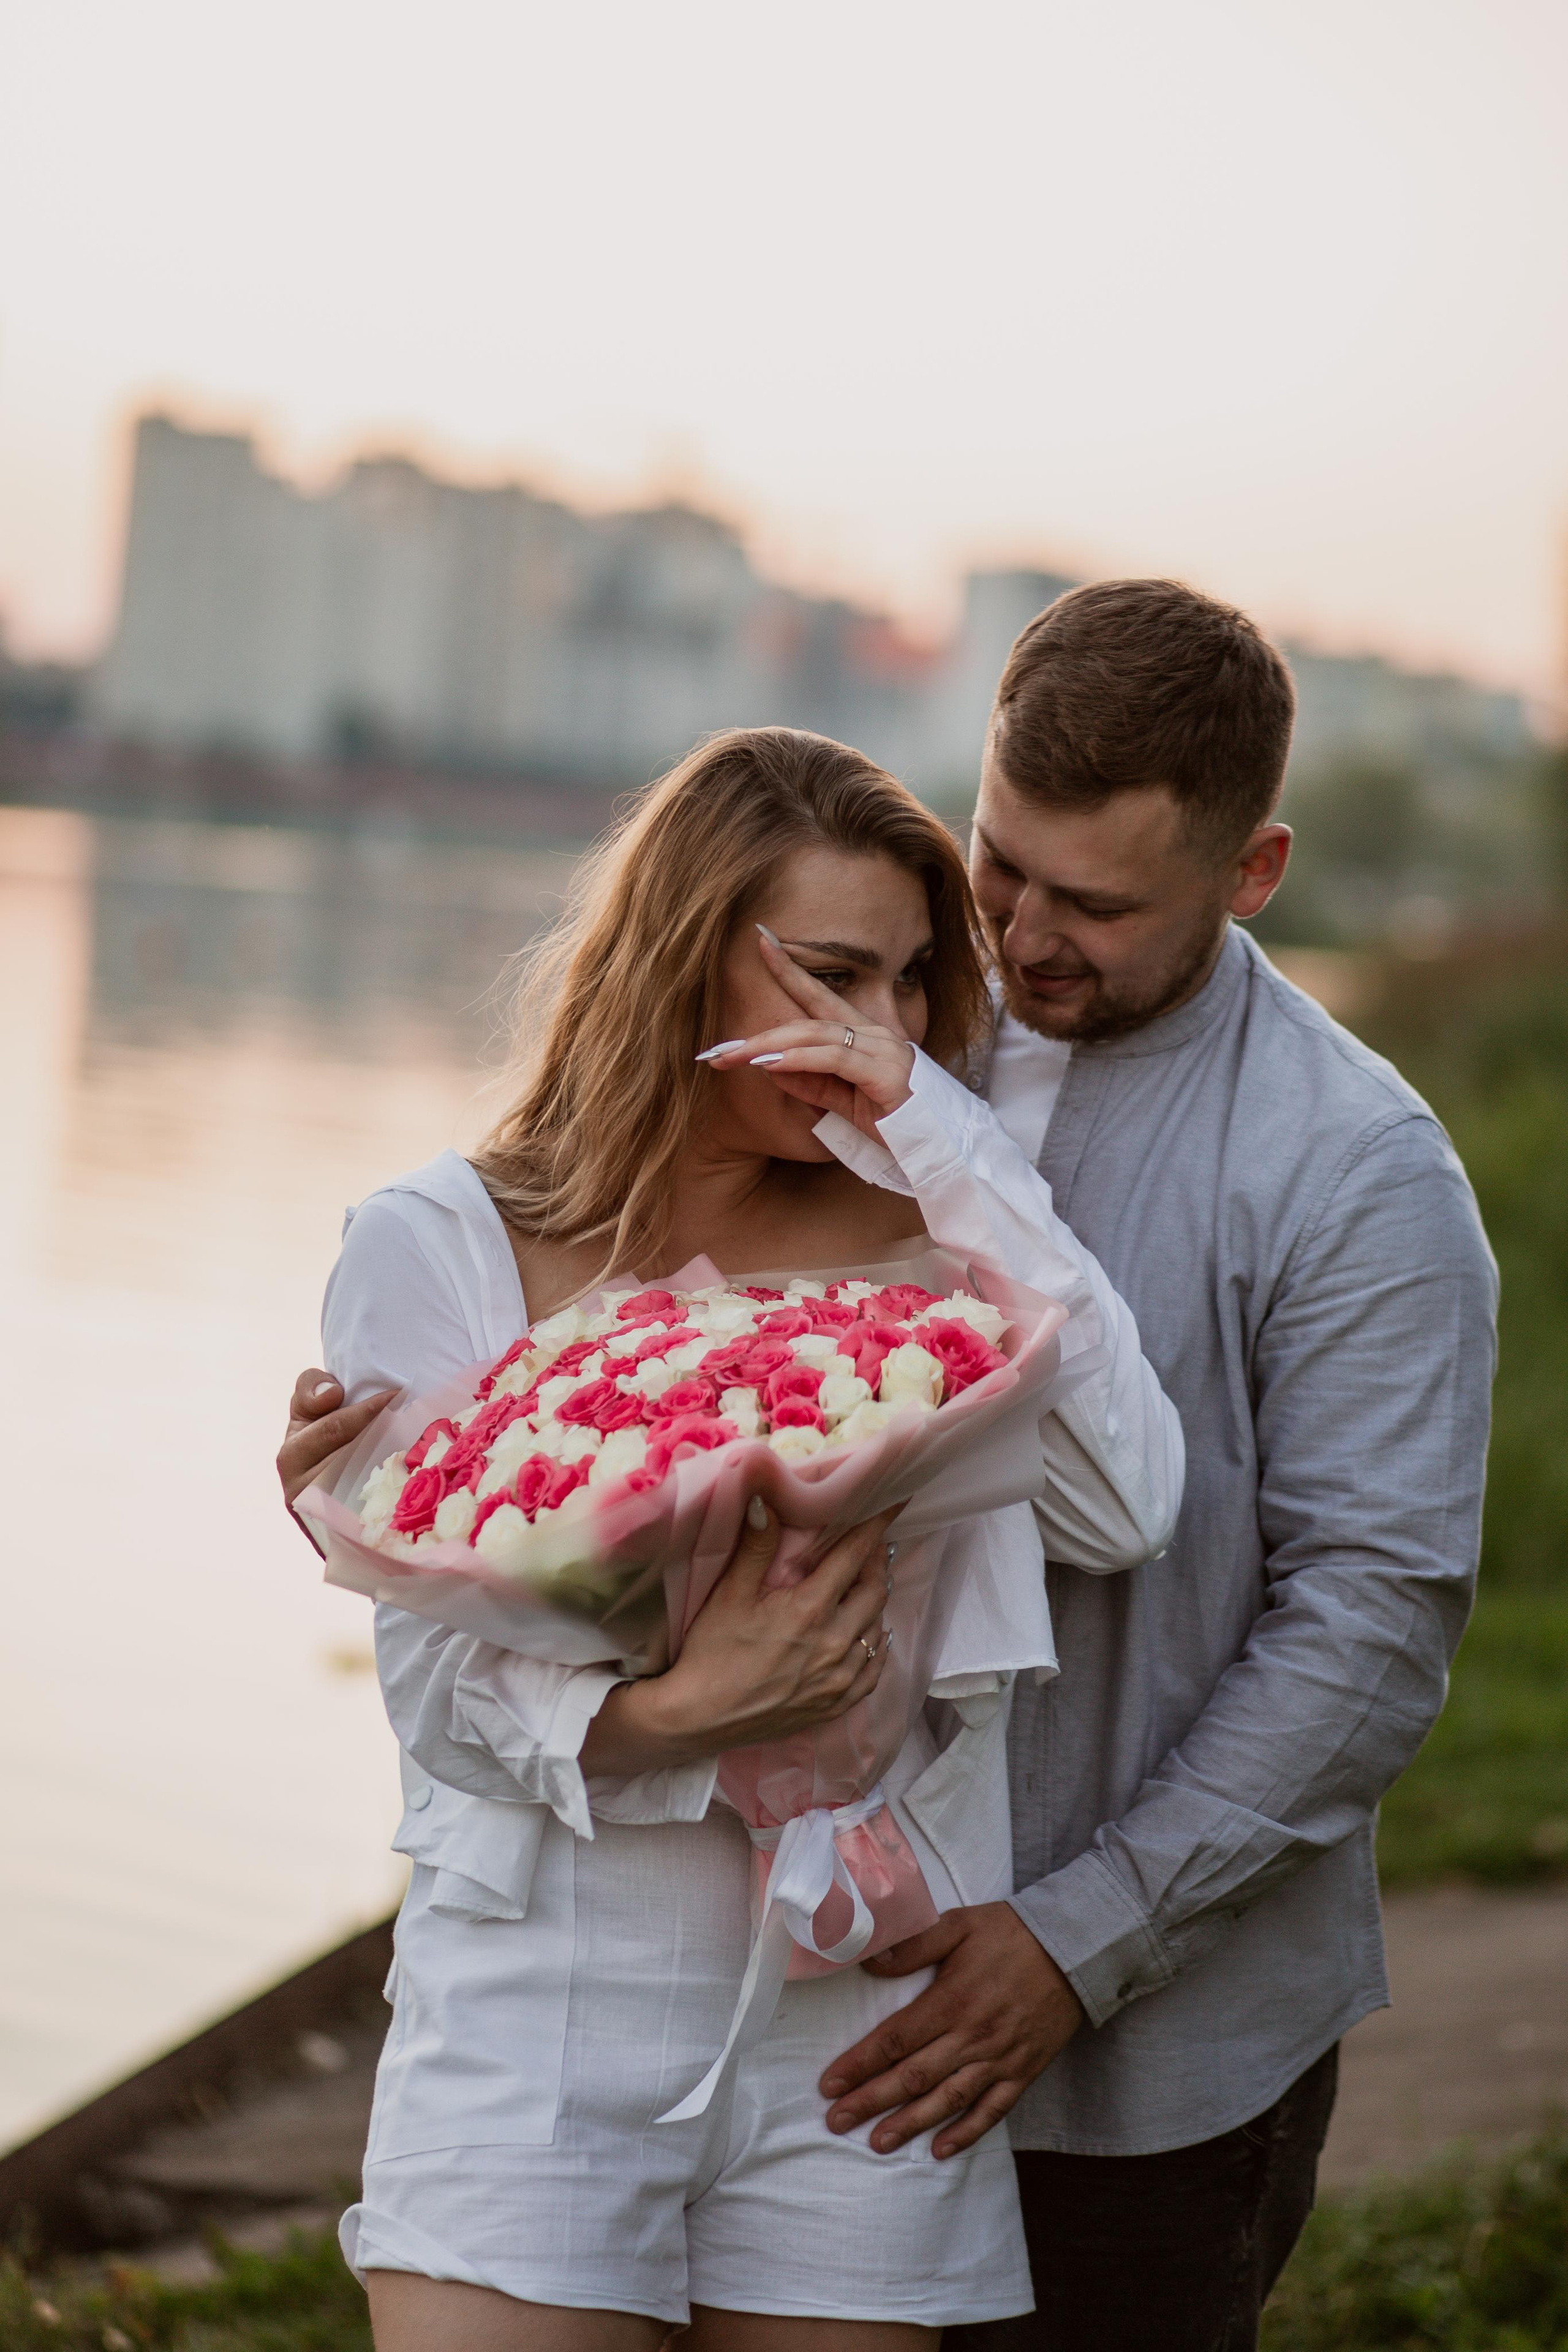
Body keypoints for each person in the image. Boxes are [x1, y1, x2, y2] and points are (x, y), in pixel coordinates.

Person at [292, 725, 1183, 2352]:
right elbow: (436, 1694)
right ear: (684, 960)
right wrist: (682, 1714)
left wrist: (953, 1142)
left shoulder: (946, 1237)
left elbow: (1125, 1505)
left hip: (862, 2027)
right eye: (832, 976)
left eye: (916, 985)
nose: (882, 1032)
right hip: (544, 2007)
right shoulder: (450, 1237)